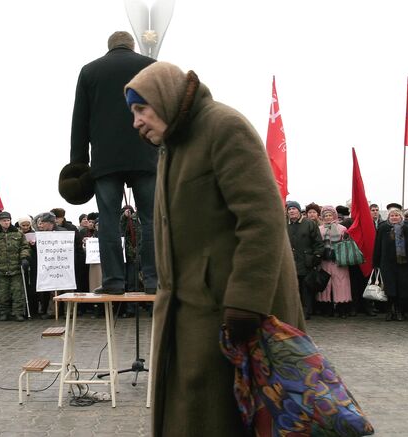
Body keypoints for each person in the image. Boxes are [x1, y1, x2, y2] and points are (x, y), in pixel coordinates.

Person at [125, 61, 304, 437]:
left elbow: (263, 218)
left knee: (237, 418)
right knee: (196, 415)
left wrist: (246, 300)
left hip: (235, 311)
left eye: (141, 109)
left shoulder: (223, 127)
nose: (136, 122)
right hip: (191, 310)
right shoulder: (171, 148)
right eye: (133, 113)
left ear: (165, 98)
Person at [70, 31, 157, 295]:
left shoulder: (89, 71)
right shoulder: (150, 66)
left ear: (109, 47)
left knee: (107, 220)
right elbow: (165, 111)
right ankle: (154, 280)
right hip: (145, 153)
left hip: (105, 159)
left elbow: (80, 119)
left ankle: (114, 282)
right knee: (151, 219)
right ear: (132, 46)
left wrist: (78, 164)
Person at [373, 207, 408, 321]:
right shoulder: (383, 228)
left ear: (401, 217)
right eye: (392, 216)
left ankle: (399, 310)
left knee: (401, 288)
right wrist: (375, 262)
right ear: (389, 217)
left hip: (403, 264)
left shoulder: (407, 229)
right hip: (387, 263)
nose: (394, 217)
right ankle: (389, 310)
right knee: (389, 288)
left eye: (396, 215)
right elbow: (378, 245)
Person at [0, 211, 31, 321]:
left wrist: (24, 258)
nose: (6, 222)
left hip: (16, 268)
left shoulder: (18, 233)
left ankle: (18, 312)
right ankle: (4, 312)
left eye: (8, 220)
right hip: (0, 269)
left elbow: (25, 247)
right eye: (4, 220)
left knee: (17, 292)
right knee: (2, 293)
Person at [286, 201, 324, 320]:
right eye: (289, 209)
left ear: (299, 210)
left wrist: (316, 257)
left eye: (294, 209)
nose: (291, 211)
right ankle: (293, 312)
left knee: (306, 287)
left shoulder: (309, 224)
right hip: (290, 262)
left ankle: (306, 312)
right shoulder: (284, 225)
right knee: (292, 288)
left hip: (306, 261)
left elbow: (318, 243)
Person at [316, 205, 352, 318]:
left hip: (339, 261)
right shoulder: (319, 229)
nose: (328, 217)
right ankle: (327, 309)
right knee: (326, 284)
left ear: (334, 215)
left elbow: (347, 243)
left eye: (330, 215)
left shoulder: (342, 228)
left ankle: (342, 309)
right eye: (325, 215)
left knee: (341, 284)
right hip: (325, 260)